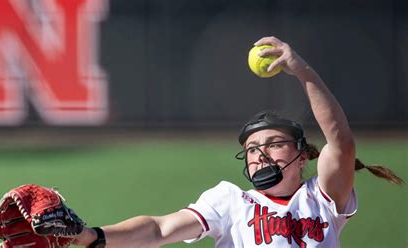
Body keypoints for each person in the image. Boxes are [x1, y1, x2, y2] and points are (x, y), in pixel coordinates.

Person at [71, 36, 404, 248]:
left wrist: (301, 71)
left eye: (274, 143)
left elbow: (341, 143)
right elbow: (159, 230)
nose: (260, 154)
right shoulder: (229, 202)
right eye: (252, 149)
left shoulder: (321, 198)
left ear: (302, 156)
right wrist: (93, 236)